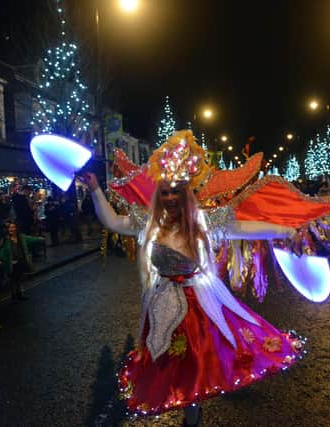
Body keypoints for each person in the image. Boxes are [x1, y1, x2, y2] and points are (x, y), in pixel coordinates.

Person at [81, 130, 305, 425]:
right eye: (165, 191)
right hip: (162, 304)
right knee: (167, 364)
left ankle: (193, 418)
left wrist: (286, 232)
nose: (171, 197)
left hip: (197, 304)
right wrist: (96, 189)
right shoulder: (149, 223)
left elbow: (244, 228)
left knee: (198, 364)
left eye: (176, 191)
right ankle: (188, 411)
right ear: (159, 195)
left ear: (186, 193)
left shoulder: (203, 221)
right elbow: (111, 221)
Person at [0, 222, 45, 301]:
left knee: (19, 278)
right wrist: (4, 260)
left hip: (20, 261)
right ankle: (14, 295)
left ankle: (19, 294)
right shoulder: (5, 239)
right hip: (11, 263)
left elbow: (31, 239)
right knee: (12, 280)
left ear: (16, 228)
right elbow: (2, 252)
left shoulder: (21, 237)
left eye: (13, 227)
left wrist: (40, 239)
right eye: (10, 228)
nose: (11, 229)